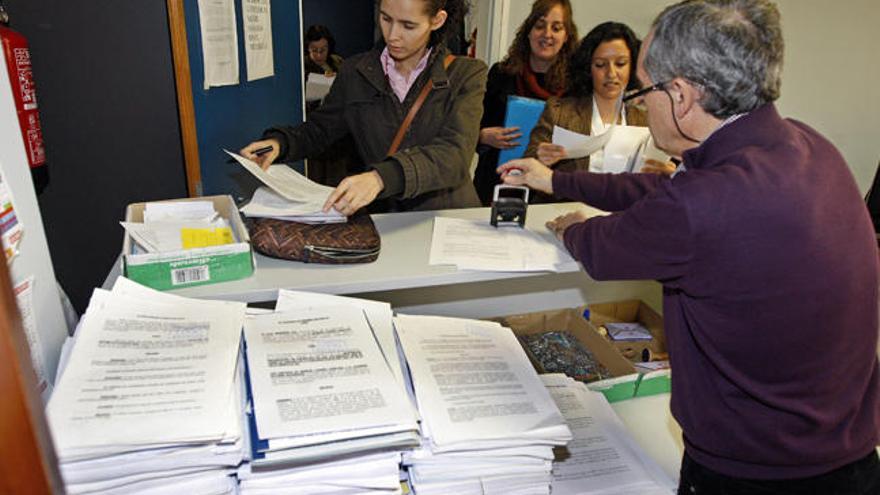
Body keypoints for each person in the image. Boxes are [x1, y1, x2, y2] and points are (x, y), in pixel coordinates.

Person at [500, 0, 880, 493]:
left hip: (754, 476)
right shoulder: (807, 145)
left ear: (679, 94)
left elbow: (604, 246)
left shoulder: (705, 205)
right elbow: (666, 193)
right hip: (849, 457)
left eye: (643, 85)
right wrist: (559, 182)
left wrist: (569, 228)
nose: (640, 99)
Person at [241, 0, 487, 214]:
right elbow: (320, 131)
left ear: (437, 20)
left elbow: (454, 155)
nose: (392, 35)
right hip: (386, 219)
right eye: (386, 18)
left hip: (447, 219)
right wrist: (279, 143)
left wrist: (381, 177)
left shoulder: (466, 74)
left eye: (408, 25)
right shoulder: (355, 72)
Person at [522, 22, 667, 202]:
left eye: (620, 64)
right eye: (600, 65)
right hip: (565, 212)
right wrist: (540, 158)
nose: (611, 73)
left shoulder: (647, 120)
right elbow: (525, 169)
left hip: (624, 218)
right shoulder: (560, 112)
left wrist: (669, 175)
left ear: (633, 67)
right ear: (588, 68)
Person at [472, 0, 578, 205]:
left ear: (566, 37)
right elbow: (468, 128)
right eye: (539, 25)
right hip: (496, 183)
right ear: (528, 31)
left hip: (547, 192)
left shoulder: (576, 86)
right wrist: (483, 136)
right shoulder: (501, 74)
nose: (547, 34)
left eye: (556, 28)